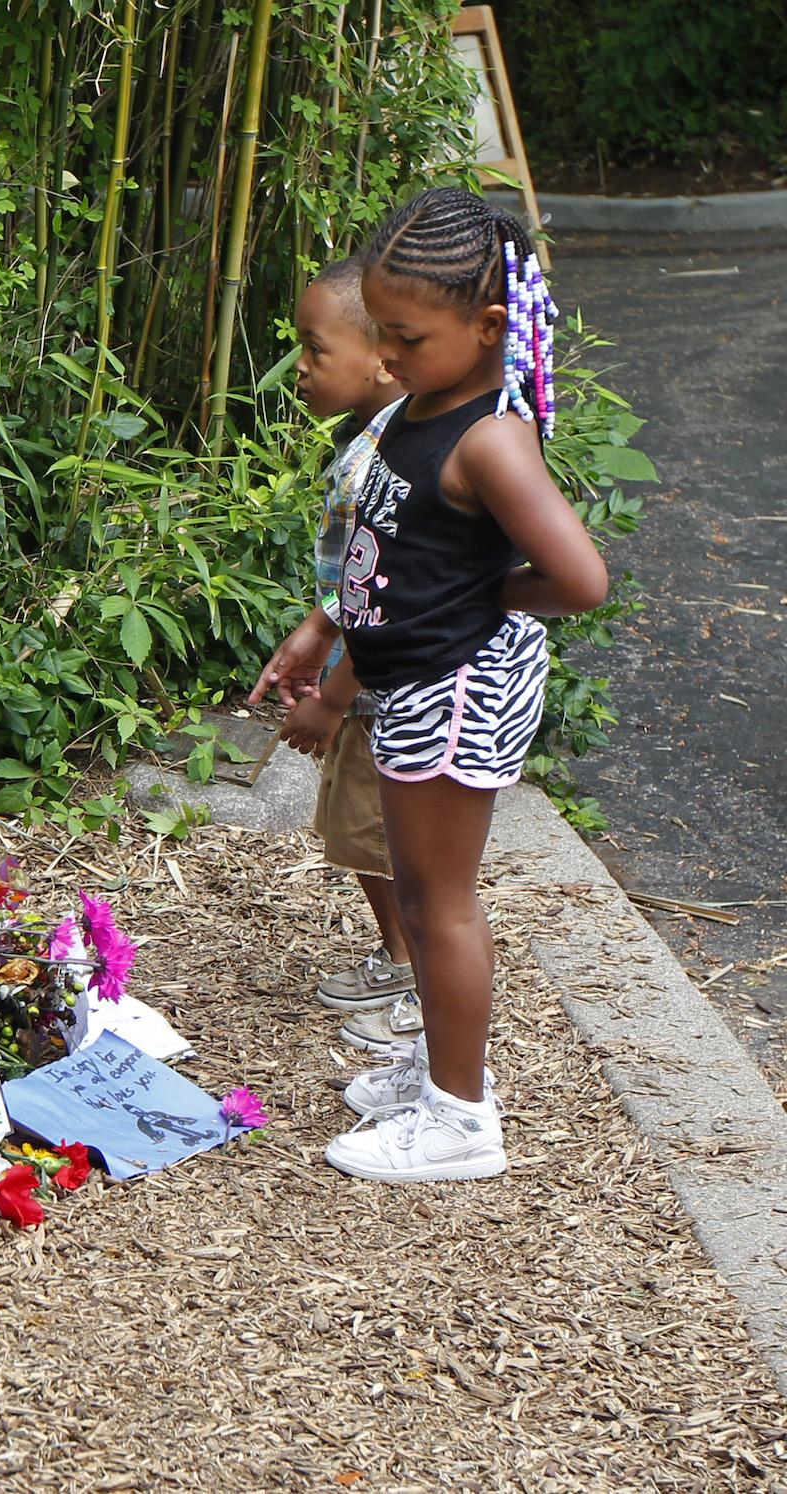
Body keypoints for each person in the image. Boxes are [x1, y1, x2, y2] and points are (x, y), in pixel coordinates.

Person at [288, 187, 607, 1182]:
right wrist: (328, 638)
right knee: (425, 897)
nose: (384, 356)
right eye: (377, 333)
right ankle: (440, 1062)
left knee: (438, 902)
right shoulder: (425, 400)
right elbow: (383, 547)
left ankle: (459, 1120)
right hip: (415, 680)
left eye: (404, 337)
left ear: (484, 327)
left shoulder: (488, 438)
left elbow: (580, 580)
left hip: (453, 689)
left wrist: (484, 593)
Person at [250, 257, 415, 1046]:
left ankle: (417, 986)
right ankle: (402, 957)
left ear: (382, 357)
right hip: (370, 681)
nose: (300, 369)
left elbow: (392, 596)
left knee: (384, 841)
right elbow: (358, 575)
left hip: (391, 694)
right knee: (360, 836)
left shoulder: (393, 461)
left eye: (314, 349)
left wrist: (335, 694)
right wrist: (319, 628)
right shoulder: (374, 442)